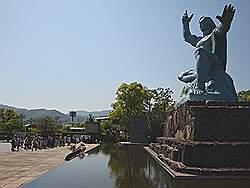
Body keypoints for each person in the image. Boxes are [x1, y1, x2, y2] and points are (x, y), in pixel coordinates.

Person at [181, 4, 235, 94]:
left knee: (200, 52)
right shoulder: (199, 40)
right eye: (202, 23)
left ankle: (200, 87)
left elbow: (221, 30)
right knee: (181, 76)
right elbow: (187, 37)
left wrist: (225, 23)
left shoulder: (214, 34)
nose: (204, 24)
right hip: (203, 68)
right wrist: (185, 24)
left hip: (215, 64)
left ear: (212, 24)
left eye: (207, 22)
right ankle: (198, 78)